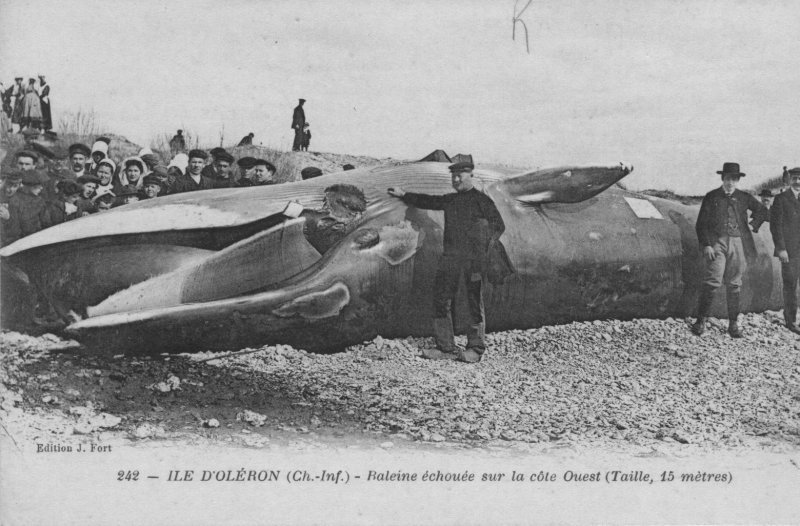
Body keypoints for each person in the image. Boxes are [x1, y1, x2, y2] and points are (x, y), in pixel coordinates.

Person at [387, 161, 505, 363]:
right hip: (450, 258)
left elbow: (498, 226)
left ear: (471, 176)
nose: (456, 179)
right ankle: (446, 347)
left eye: (461, 175)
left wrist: (482, 245)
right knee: (441, 299)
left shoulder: (482, 201)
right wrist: (404, 195)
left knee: (473, 302)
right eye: (454, 176)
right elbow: (429, 201)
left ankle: (476, 349)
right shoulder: (451, 200)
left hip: (473, 261)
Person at [691, 162, 767, 338]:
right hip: (718, 243)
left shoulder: (744, 197)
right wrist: (707, 245)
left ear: (738, 180)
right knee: (712, 281)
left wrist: (753, 225)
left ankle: (733, 324)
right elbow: (701, 223)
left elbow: (763, 211)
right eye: (727, 178)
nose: (730, 182)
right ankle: (701, 320)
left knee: (734, 284)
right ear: (722, 178)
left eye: (734, 179)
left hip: (739, 244)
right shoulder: (711, 196)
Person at [769, 167, 800, 335]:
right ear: (789, 180)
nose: (798, 182)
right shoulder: (781, 199)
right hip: (790, 251)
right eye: (795, 178)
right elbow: (776, 226)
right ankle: (791, 321)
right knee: (790, 285)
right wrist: (781, 249)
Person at [4, 170, 49, 244]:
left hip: (39, 240)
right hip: (22, 242)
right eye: (38, 185)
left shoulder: (40, 201)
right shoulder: (15, 201)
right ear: (28, 186)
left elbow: (46, 223)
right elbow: (14, 230)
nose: (41, 188)